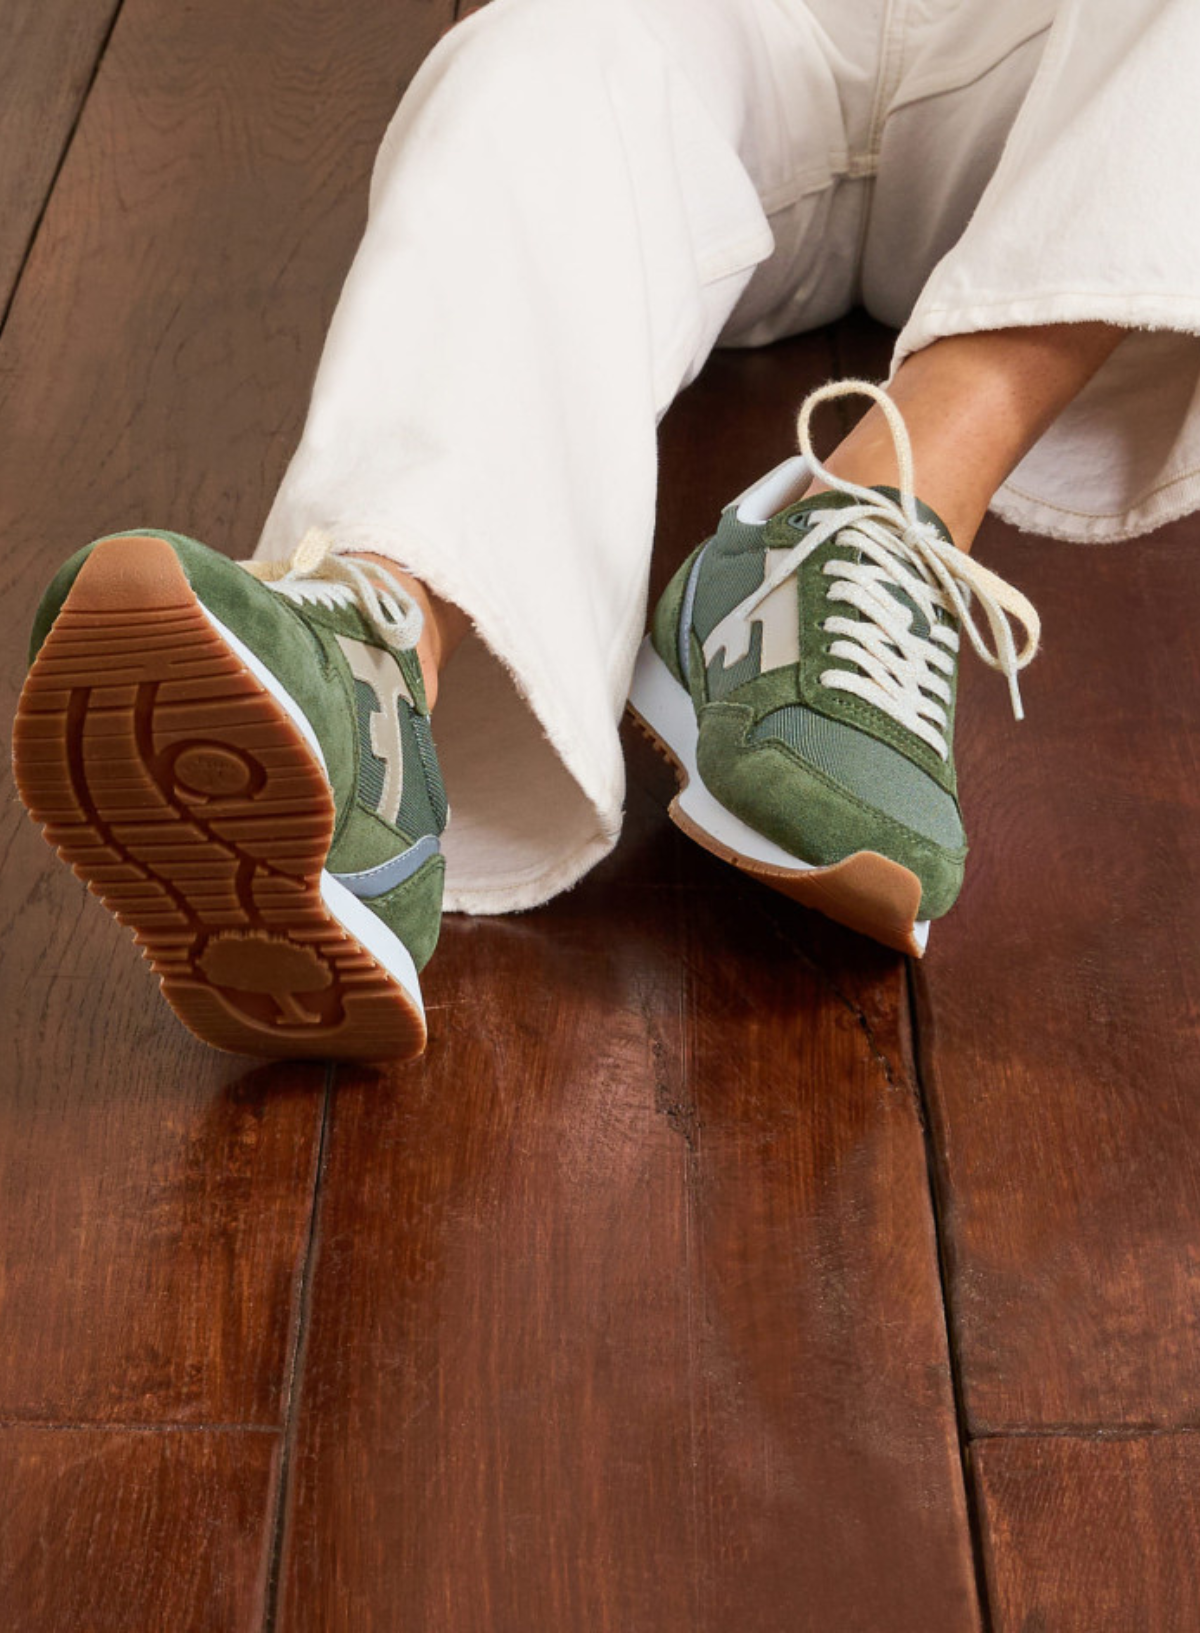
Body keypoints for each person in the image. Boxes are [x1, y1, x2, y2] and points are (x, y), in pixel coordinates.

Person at [13, 0, 1198, 1060]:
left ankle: (884, 512)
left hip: (1065, 94)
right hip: (723, 32)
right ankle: (370, 694)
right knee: (530, 55)